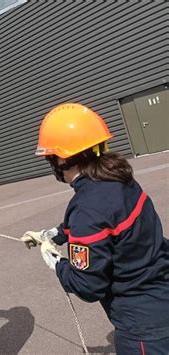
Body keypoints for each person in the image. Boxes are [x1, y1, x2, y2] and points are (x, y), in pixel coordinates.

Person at [21, 103, 169, 354]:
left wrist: (56, 261)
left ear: (63, 158)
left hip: (143, 326)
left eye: (51, 157)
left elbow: (88, 286)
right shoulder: (119, 180)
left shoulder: (87, 208)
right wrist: (52, 235)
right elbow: (107, 226)